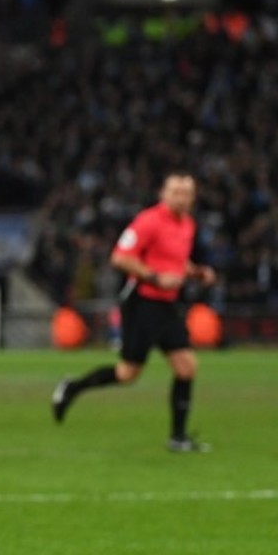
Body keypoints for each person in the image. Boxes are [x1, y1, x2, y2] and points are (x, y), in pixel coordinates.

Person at [52, 173, 217, 452]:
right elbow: (120, 257)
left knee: (187, 366)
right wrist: (155, 278)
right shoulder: (148, 221)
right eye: (176, 192)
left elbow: (174, 260)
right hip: (142, 302)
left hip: (166, 306)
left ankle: (178, 438)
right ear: (163, 194)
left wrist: (196, 272)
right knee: (128, 372)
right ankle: (72, 387)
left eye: (187, 193)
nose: (182, 198)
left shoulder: (187, 224)